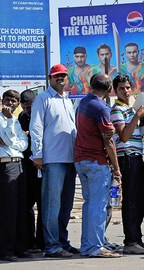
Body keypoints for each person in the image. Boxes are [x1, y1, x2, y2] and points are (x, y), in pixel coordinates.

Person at [30, 64, 78, 257]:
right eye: (57, 75)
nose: (60, 78)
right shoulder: (43, 98)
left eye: (63, 76)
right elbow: (36, 127)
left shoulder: (68, 100)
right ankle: (52, 246)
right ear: (50, 78)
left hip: (70, 159)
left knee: (66, 205)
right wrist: (38, 154)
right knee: (52, 205)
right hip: (52, 159)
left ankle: (62, 242)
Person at [75, 74, 122, 258]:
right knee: (98, 205)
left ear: (91, 85)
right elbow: (108, 141)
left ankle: (88, 245)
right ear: (110, 89)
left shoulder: (84, 103)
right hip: (96, 161)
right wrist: (117, 169)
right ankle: (95, 246)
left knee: (89, 205)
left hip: (81, 160)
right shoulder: (101, 107)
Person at [0, 90, 29, 262]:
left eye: (14, 101)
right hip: (5, 164)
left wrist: (11, 137)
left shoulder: (15, 120)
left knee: (21, 208)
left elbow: (23, 144)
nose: (10, 104)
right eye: (7, 100)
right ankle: (6, 250)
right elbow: (11, 140)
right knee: (8, 209)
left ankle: (20, 247)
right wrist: (11, 134)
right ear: (2, 102)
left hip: (19, 163)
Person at [110, 74, 144, 254]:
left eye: (128, 87)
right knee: (131, 200)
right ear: (115, 91)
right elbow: (123, 136)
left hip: (137, 156)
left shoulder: (131, 109)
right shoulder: (117, 110)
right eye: (122, 88)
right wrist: (137, 116)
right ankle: (130, 241)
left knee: (138, 200)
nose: (126, 91)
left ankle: (136, 238)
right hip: (127, 157)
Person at [18, 89, 44, 251]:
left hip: (40, 166)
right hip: (26, 169)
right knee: (27, 206)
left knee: (43, 205)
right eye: (26, 107)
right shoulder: (20, 119)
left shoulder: (41, 116)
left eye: (31, 106)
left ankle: (41, 241)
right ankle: (29, 240)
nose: (29, 109)